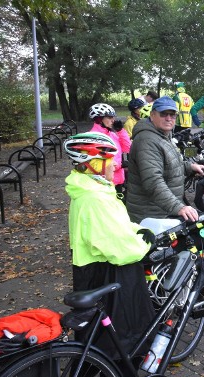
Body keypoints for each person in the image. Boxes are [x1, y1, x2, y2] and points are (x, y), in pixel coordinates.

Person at [64, 132, 155, 361]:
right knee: (123, 341)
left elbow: (113, 227)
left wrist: (134, 229)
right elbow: (122, 249)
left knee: (101, 341)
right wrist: (146, 241)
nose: (115, 165)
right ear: (92, 163)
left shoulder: (91, 189)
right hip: (111, 274)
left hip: (94, 270)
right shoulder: (94, 198)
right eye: (109, 160)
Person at [126, 96, 204, 223]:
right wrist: (177, 207)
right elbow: (153, 181)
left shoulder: (163, 134)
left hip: (162, 209)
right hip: (152, 214)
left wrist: (189, 167)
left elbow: (167, 163)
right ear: (152, 115)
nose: (169, 118)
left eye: (172, 115)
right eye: (163, 114)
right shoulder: (147, 140)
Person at [88, 103, 131, 194]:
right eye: (109, 118)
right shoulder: (94, 137)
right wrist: (119, 165)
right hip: (105, 181)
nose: (113, 120)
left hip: (118, 179)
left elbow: (127, 148)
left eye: (113, 117)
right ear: (99, 119)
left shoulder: (111, 134)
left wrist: (120, 131)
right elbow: (97, 163)